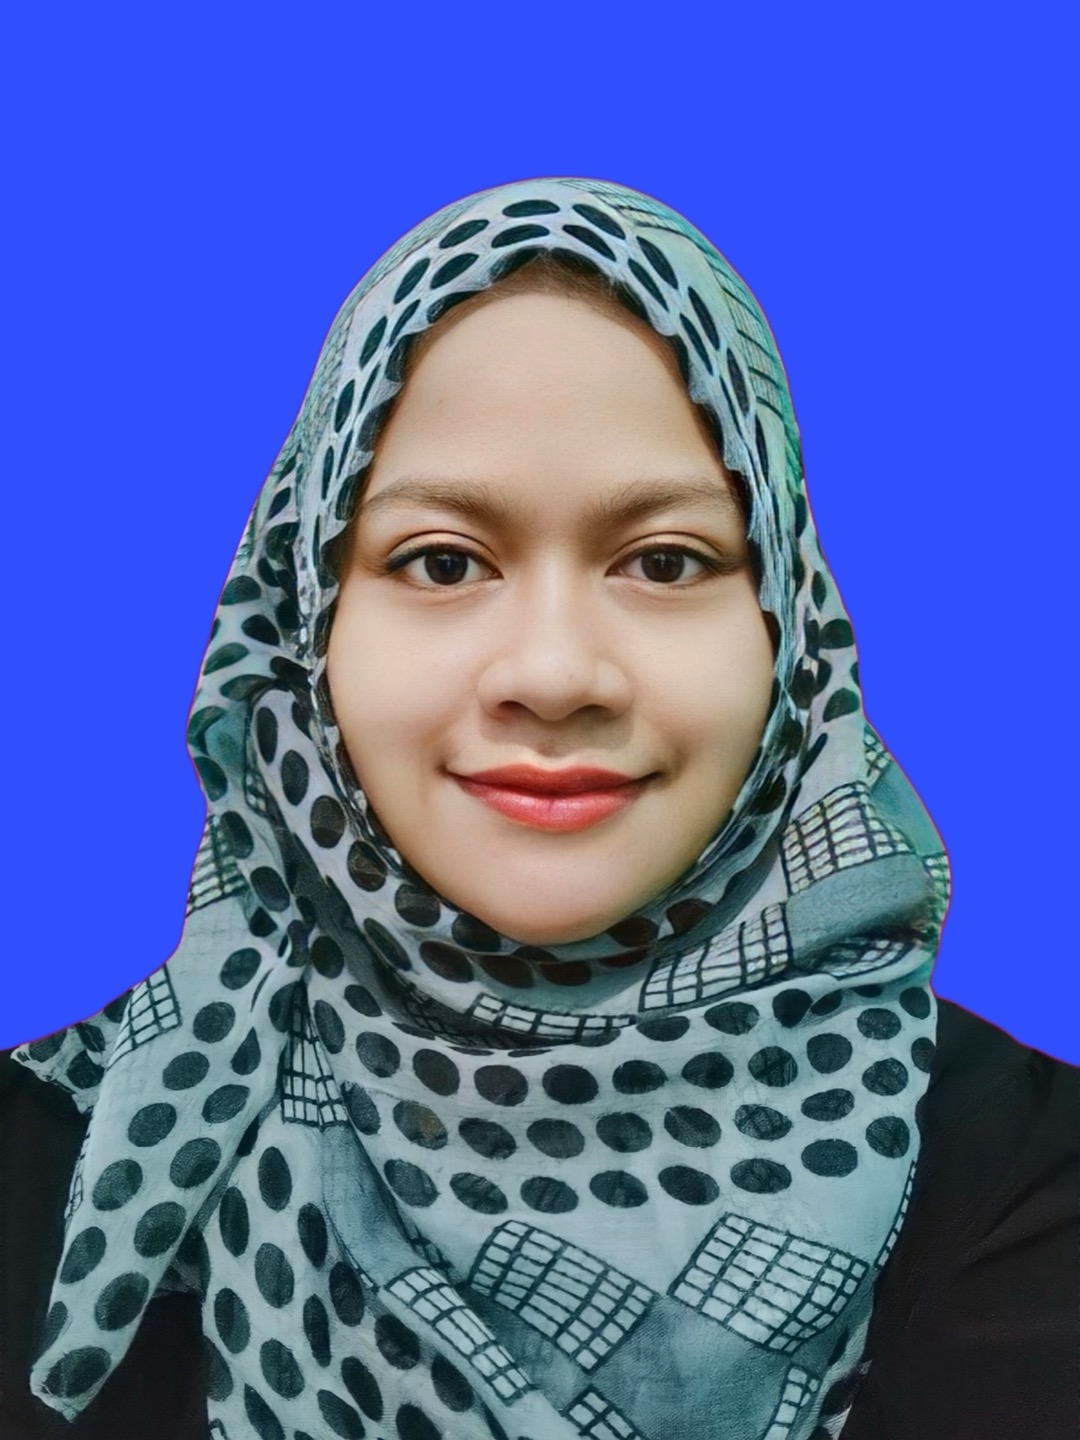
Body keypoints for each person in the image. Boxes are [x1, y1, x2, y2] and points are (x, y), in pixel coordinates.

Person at [1, 179, 1076, 1440]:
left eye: (665, 561)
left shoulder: (1026, 1197)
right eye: (442, 561)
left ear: (790, 632)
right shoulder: (46, 1176)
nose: (555, 673)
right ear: (306, 630)